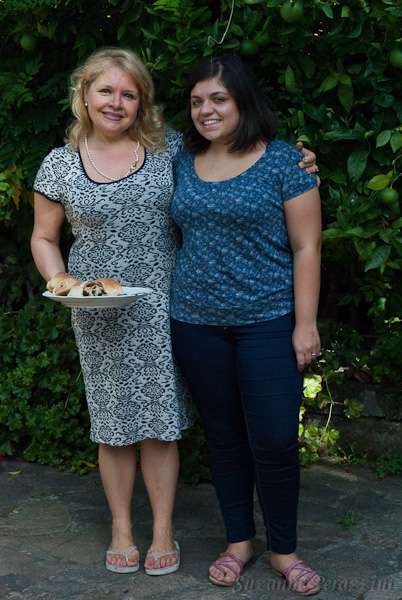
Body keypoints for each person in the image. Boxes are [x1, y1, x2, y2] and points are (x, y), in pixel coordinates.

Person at [30, 48, 318, 577]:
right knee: (120, 419)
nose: (116, 102)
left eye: (129, 93)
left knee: (169, 419)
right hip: (109, 307)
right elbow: (44, 237)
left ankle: (183, 533)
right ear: (84, 96)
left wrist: (299, 159)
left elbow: (255, 189)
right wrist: (60, 280)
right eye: (106, 91)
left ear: (143, 103)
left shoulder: (170, 154)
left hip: (172, 305)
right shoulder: (70, 163)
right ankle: (135, 530)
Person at [170, 55, 322, 596]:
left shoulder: (286, 162)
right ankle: (240, 541)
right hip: (194, 322)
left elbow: (307, 246)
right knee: (225, 439)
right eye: (196, 101)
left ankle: (284, 550)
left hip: (267, 321)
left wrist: (305, 323)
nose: (205, 110)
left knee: (277, 439)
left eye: (218, 99)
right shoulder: (180, 157)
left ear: (241, 100)